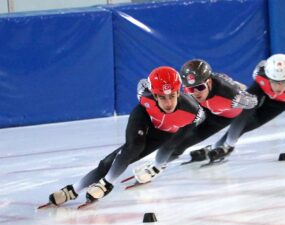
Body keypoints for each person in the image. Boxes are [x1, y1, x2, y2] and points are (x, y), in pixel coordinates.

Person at [46, 66, 205, 206]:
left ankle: (78, 188)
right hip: (144, 116)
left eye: (172, 96)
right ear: (154, 95)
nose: (168, 103)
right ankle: (93, 186)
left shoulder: (193, 112)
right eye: (162, 97)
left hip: (164, 132)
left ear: (179, 92)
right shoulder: (145, 94)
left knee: (114, 161)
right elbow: (144, 83)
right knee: (133, 147)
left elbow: (189, 130)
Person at [208, 54, 285, 160]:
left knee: (249, 124)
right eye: (274, 81)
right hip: (261, 90)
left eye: (283, 82)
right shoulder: (260, 74)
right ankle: (226, 145)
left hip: (280, 103)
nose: (278, 87)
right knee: (244, 111)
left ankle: (222, 146)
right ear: (268, 77)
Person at [170, 59, 258, 163]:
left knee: (188, 139)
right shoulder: (191, 93)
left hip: (225, 114)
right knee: (179, 140)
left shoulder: (228, 92)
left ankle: (224, 146)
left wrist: (247, 99)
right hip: (209, 110)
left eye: (200, 87)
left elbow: (253, 101)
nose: (196, 92)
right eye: (191, 89)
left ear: (209, 83)